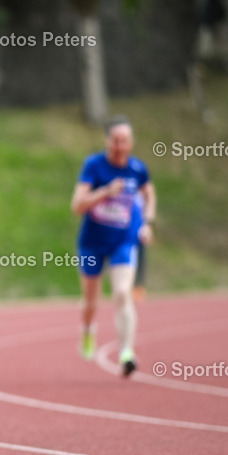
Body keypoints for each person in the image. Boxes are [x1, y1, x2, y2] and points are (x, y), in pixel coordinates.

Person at [71, 117, 156, 377]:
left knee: (122, 293)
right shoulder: (94, 166)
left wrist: (147, 223)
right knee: (91, 301)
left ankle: (127, 352)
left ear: (131, 142)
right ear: (108, 141)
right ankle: (87, 332)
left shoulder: (138, 169)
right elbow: (77, 206)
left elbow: (149, 195)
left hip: (123, 241)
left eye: (125, 140)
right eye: (115, 140)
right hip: (93, 242)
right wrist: (105, 192)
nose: (120, 145)